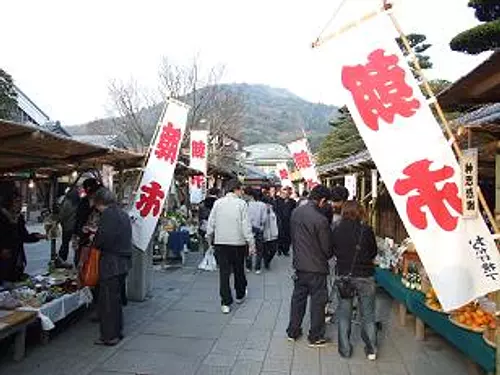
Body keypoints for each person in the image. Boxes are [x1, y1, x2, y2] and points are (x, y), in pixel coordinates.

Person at [286, 185, 333, 348]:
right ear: (322, 200)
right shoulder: (321, 220)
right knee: (318, 302)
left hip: (299, 264)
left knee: (298, 299)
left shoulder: (296, 212)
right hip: (317, 267)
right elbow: (327, 249)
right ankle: (315, 336)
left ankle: (293, 331)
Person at [332, 200, 378, 360]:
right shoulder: (366, 230)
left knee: (344, 314)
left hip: (344, 276)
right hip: (365, 276)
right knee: (368, 314)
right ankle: (371, 350)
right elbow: (373, 252)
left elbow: (332, 251)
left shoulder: (336, 229)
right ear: (359, 212)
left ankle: (345, 350)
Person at [206, 179, 256, 314]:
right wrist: (251, 243)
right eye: (241, 190)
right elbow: (246, 225)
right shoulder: (241, 204)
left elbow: (211, 223)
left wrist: (209, 239)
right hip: (238, 243)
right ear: (236, 189)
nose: (242, 192)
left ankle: (225, 302)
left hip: (221, 243)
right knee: (239, 269)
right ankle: (240, 295)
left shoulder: (218, 203)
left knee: (224, 273)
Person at [93, 187, 132, 346]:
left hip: (111, 263)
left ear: (100, 203)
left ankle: (110, 336)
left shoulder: (108, 215)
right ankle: (117, 331)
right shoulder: (122, 213)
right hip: (123, 262)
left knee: (108, 301)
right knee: (115, 300)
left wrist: (94, 238)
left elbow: (103, 239)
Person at [0, 182, 46, 283]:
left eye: (21, 201)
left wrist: (38, 236)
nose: (20, 205)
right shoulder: (2, 217)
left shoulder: (19, 218)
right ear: (8, 202)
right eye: (16, 202)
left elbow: (24, 236)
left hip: (17, 259)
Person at [74, 178, 102, 267]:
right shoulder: (83, 202)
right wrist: (76, 236)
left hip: (95, 238)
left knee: (92, 264)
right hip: (82, 236)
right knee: (80, 262)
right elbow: (78, 219)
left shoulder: (100, 203)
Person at [245, 189, 268, 274]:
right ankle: (257, 267)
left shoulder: (246, 204)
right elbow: (264, 218)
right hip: (259, 228)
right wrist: (262, 225)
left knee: (248, 248)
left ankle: (248, 266)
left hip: (249, 228)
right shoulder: (263, 205)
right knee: (259, 249)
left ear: (251, 196)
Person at [56, 187, 81, 265]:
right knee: (76, 244)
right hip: (76, 226)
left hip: (67, 226)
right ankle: (77, 260)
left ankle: (62, 259)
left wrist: (58, 221)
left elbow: (63, 215)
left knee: (65, 243)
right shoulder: (79, 202)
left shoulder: (67, 202)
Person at [276, 186, 296, 256]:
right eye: (285, 191)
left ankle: (286, 250)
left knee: (287, 237)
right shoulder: (278, 201)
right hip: (280, 221)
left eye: (288, 192)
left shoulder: (292, 202)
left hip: (288, 222)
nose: (287, 193)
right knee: (280, 235)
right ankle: (279, 249)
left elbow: (294, 211)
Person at [198, 188, 219, 252]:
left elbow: (200, 216)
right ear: (217, 194)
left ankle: (206, 258)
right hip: (216, 226)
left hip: (204, 225)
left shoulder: (202, 203)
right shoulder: (219, 203)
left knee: (206, 244)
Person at [262, 195, 279, 270]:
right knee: (265, 251)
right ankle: (266, 263)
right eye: (266, 204)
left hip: (273, 234)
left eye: (269, 204)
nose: (268, 206)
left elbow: (277, 221)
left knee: (273, 250)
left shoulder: (273, 210)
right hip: (264, 234)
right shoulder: (261, 211)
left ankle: (267, 260)